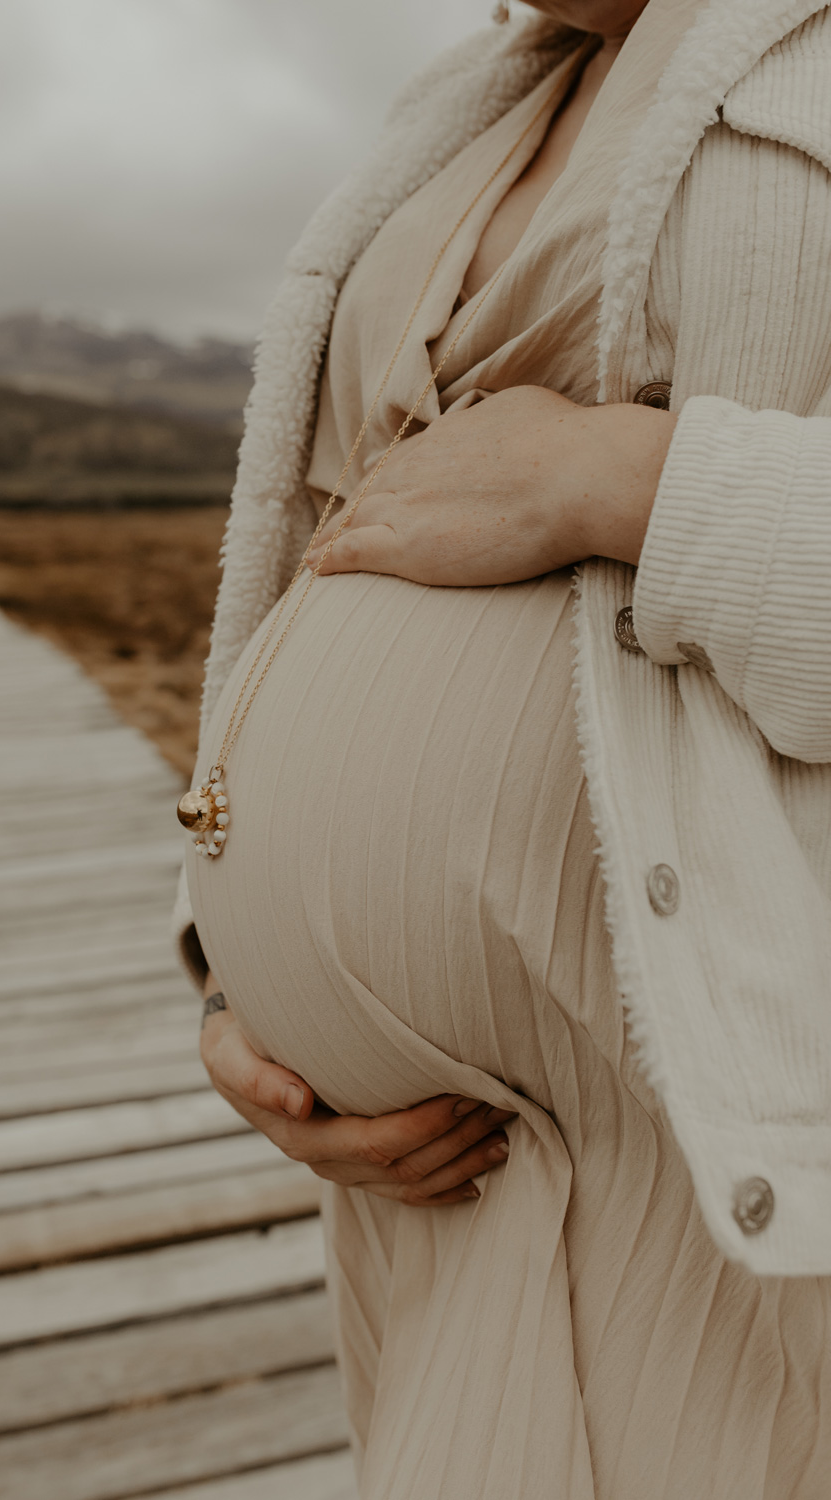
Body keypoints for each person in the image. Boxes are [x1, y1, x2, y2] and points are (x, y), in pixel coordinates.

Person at [176, 1, 831, 1494]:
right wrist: (239, 974)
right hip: (436, 1192)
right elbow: (318, 549)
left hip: (719, 1132)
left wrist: (627, 484)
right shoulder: (468, 103)